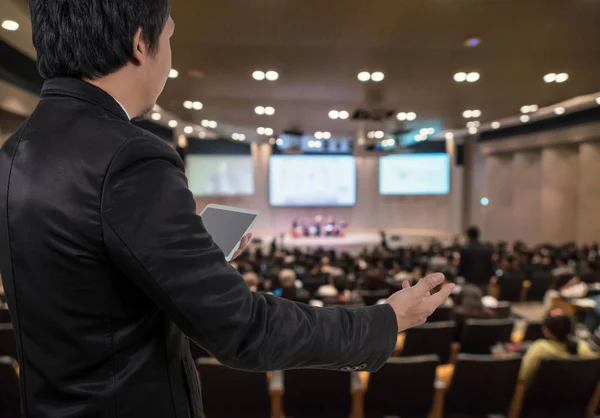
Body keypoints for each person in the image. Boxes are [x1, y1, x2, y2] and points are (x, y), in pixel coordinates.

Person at [0, 2, 454, 417]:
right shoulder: (129, 157)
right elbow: (245, 331)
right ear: (141, 43)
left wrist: (189, 259)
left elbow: (83, 289)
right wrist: (386, 319)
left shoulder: (14, 152)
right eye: (170, 37)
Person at [519, 309, 595, 382]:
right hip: (575, 393)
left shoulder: (540, 348)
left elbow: (523, 376)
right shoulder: (583, 347)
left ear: (546, 330)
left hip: (539, 393)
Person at [458, 226, 494, 291]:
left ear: (468, 235)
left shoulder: (465, 249)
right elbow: (490, 266)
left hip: (470, 282)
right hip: (483, 282)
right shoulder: (486, 248)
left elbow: (462, 266)